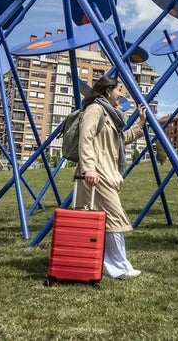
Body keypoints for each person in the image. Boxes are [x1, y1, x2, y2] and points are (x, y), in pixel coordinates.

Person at [76, 75, 147, 280]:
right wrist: (89, 168)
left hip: (106, 173)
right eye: (118, 91)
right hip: (97, 174)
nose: (121, 95)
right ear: (108, 91)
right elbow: (86, 138)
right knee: (115, 218)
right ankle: (120, 267)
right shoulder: (95, 110)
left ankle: (106, 264)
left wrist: (140, 125)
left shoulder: (108, 114)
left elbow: (118, 141)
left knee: (106, 220)